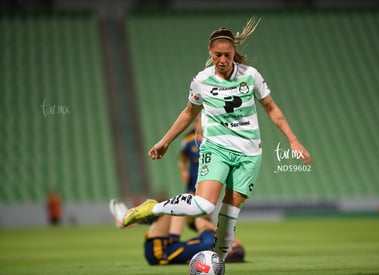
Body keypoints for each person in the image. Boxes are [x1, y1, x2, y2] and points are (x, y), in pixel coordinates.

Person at [123, 16, 312, 262]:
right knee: (204, 205)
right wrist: (166, 140)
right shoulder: (201, 80)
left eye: (227, 55)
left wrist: (293, 140)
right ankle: (151, 208)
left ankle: (217, 265)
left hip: (249, 154)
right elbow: (189, 112)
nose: (222, 60)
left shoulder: (250, 76)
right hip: (217, 148)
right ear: (210, 52)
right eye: (217, 55)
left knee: (228, 221)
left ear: (234, 52)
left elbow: (272, 109)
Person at [109, 199, 245, 265]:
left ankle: (127, 218)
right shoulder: (211, 249)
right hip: (168, 246)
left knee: (167, 209)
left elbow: (200, 222)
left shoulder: (210, 242)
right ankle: (133, 220)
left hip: (159, 252)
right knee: (171, 210)